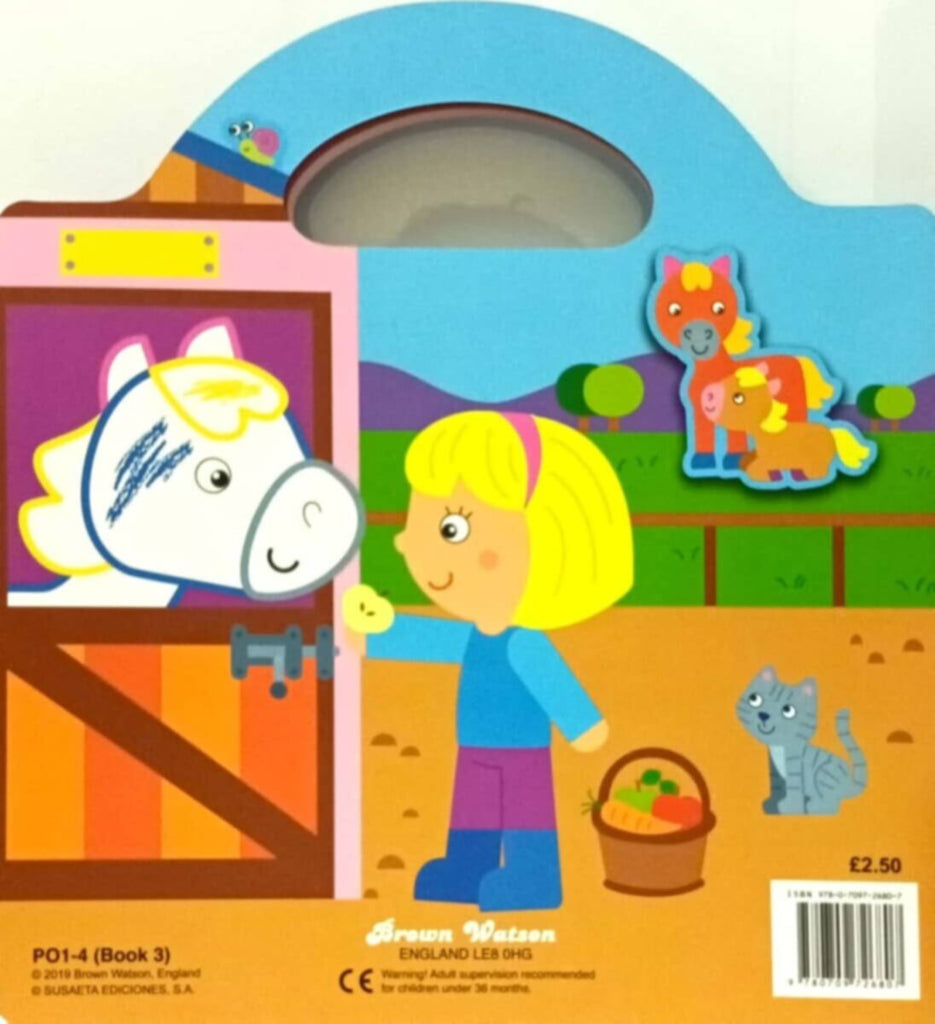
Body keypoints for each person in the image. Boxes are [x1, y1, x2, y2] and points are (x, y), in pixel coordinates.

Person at [343, 411, 633, 910]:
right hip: (473, 744)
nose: (408, 544)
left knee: (525, 817)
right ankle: (467, 868)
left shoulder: (523, 643)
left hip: (523, 751)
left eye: (451, 528)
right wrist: (375, 632)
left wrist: (582, 724)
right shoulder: (476, 635)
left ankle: (534, 880)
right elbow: (432, 640)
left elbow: (553, 683)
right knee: (472, 811)